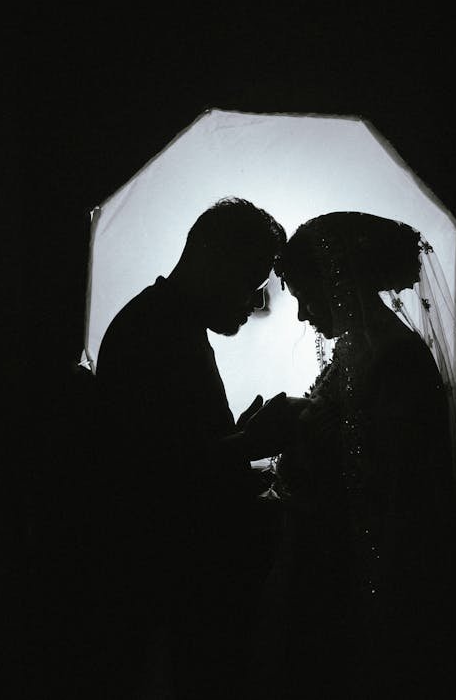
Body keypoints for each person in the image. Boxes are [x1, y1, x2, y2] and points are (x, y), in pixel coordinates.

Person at [259, 211, 456, 698]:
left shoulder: (395, 360)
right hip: (332, 556)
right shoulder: (356, 352)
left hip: (372, 570)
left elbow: (396, 484)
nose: (304, 315)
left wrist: (308, 451)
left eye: (307, 298)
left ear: (339, 286)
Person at [92, 197, 306, 699]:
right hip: (170, 573)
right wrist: (249, 442)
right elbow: (153, 472)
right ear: (212, 260)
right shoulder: (153, 333)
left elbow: (182, 442)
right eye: (251, 283)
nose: (255, 303)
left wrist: (237, 436)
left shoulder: (168, 321)